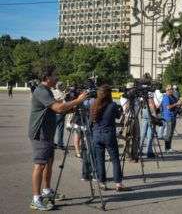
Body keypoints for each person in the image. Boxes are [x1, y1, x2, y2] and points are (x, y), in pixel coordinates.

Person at [28, 66, 87, 211]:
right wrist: (78, 101)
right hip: (40, 133)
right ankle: (36, 198)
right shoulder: (41, 91)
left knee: (48, 162)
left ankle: (46, 191)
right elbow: (58, 108)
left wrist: (71, 107)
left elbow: (58, 107)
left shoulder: (47, 90)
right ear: (47, 78)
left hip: (47, 133)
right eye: (55, 76)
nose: (57, 78)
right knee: (40, 164)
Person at [90, 84, 130, 191]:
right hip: (108, 134)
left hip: (97, 134)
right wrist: (121, 109)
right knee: (115, 159)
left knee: (100, 159)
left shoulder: (94, 104)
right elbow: (118, 116)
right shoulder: (112, 105)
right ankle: (118, 183)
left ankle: (102, 182)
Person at [161, 85, 182, 153]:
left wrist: (179, 103)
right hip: (168, 117)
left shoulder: (172, 96)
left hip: (173, 116)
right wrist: (176, 104)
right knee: (168, 133)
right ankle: (167, 148)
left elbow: (177, 103)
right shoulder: (166, 97)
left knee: (171, 133)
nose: (171, 90)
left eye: (171, 89)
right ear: (166, 90)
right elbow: (168, 107)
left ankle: (169, 147)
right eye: (169, 89)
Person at [140, 92, 157, 158]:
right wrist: (155, 115)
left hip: (144, 113)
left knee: (143, 134)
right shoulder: (150, 93)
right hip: (150, 114)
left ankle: (140, 150)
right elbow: (152, 104)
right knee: (150, 134)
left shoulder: (142, 94)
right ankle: (149, 151)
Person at [52, 82, 66, 149]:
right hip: (58, 112)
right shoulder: (61, 93)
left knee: (54, 129)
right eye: (62, 86)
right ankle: (59, 143)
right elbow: (63, 102)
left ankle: (55, 143)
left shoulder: (53, 92)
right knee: (59, 129)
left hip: (57, 112)